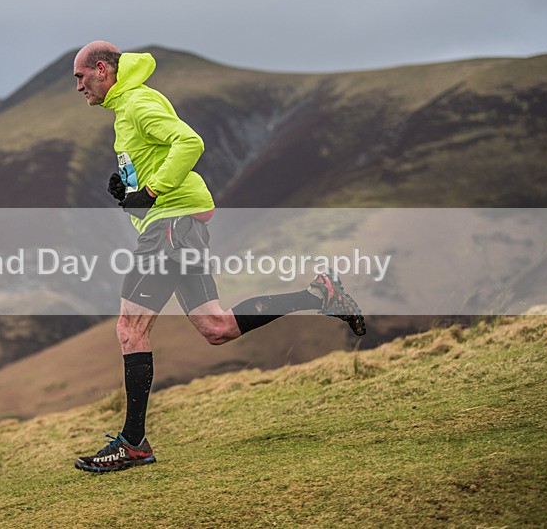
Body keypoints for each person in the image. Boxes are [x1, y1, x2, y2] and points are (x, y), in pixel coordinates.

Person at [72, 41, 365, 473]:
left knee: (130, 329)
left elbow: (189, 143)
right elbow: (154, 168)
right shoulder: (126, 110)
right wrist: (128, 190)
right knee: (216, 327)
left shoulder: (136, 102)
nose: (78, 87)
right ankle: (319, 295)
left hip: (171, 228)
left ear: (102, 69)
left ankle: (133, 442)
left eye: (80, 77)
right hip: (177, 226)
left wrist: (150, 192)